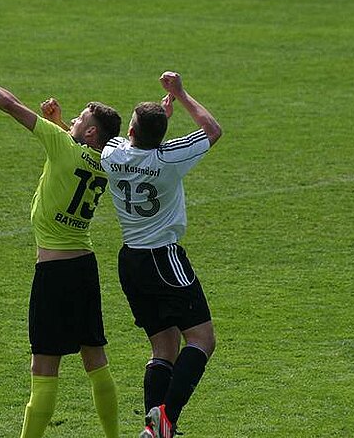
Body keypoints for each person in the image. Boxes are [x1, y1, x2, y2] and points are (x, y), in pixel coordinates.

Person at [0, 47, 122, 438]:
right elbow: (79, 151)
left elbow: (10, 104)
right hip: (84, 268)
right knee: (96, 359)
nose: (72, 119)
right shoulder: (106, 162)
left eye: (80, 118)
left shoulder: (62, 145)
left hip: (53, 273)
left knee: (44, 370)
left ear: (91, 132)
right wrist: (63, 124)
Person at [100, 71, 222, 438]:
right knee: (202, 339)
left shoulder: (112, 153)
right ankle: (168, 417)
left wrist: (156, 122)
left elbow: (130, 143)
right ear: (162, 135)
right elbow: (212, 130)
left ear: (131, 131)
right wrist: (180, 94)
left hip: (130, 262)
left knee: (163, 347)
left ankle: (154, 431)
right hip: (163, 259)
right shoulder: (169, 159)